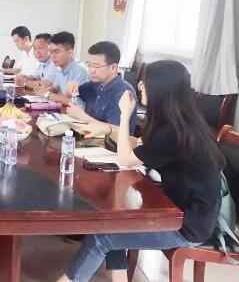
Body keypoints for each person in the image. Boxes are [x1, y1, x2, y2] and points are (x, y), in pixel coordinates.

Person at [57, 60, 224, 282]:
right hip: (179, 211)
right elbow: (139, 145)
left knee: (101, 237)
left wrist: (125, 115)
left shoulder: (173, 132)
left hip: (186, 225)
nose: (140, 86)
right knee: (110, 221)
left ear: (161, 89)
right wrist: (106, 129)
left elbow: (126, 158)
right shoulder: (178, 123)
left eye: (145, 82)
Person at [64, 41, 136, 137]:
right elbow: (69, 94)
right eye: (90, 65)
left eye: (96, 66)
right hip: (90, 136)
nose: (91, 70)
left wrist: (83, 117)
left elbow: (116, 131)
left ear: (113, 67)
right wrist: (70, 86)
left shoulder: (123, 92)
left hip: (110, 143)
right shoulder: (95, 84)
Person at [33, 32, 89, 103]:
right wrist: (43, 90)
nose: (53, 56)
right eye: (51, 52)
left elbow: (74, 101)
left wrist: (46, 94)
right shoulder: (61, 67)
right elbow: (55, 88)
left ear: (70, 53)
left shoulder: (80, 70)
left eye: (56, 52)